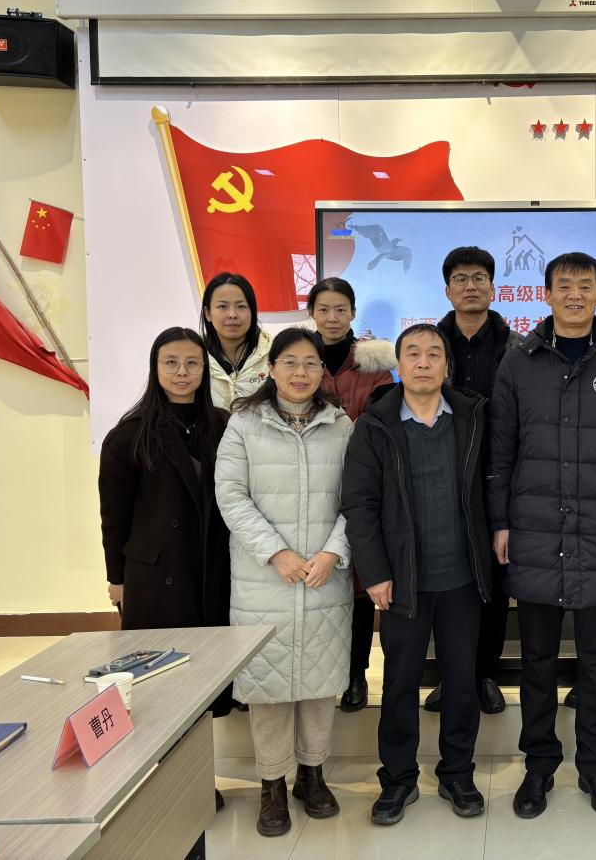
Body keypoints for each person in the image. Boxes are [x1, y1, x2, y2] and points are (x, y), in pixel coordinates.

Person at [489, 252, 596, 821]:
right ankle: (538, 766)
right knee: (536, 659)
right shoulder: (518, 360)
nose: (575, 294)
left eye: (586, 285)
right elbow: (500, 452)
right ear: (547, 294)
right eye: (564, 285)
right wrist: (500, 522)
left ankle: (595, 767)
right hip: (533, 529)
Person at [342, 324, 494, 825]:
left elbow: (493, 486)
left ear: (447, 365)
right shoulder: (376, 424)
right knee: (400, 684)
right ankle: (398, 779)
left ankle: (458, 774)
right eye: (413, 353)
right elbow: (359, 505)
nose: (424, 362)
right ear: (399, 364)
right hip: (401, 581)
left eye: (434, 354)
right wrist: (374, 572)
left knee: (461, 683)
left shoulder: (473, 416)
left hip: (463, 578)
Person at [214, 327, 354, 837]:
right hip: (263, 578)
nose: (300, 372)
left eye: (311, 363)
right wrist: (276, 552)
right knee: (268, 687)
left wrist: (334, 552)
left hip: (323, 577)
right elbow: (231, 495)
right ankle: (272, 785)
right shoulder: (244, 424)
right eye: (290, 362)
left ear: (322, 371)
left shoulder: (342, 425)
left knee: (319, 684)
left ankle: (312, 776)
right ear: (270, 369)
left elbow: (359, 498)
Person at [99, 326, 232, 811]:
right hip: (156, 577)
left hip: (211, 569)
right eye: (171, 363)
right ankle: (170, 787)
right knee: (163, 680)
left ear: (204, 369)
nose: (182, 372)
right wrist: (117, 579)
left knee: (205, 678)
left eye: (192, 363)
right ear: (155, 369)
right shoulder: (129, 434)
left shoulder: (222, 424)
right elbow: (113, 516)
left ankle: (199, 777)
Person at [423, 246, 521, 717]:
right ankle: (451, 676)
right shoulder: (428, 345)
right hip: (440, 476)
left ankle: (485, 674)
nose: (470, 286)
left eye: (479, 277)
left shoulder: (518, 347)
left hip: (498, 478)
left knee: (495, 582)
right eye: (460, 278)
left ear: (493, 287)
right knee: (447, 581)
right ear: (447, 290)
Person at [306, 277, 397, 713]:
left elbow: (381, 425)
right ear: (312, 313)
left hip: (361, 482)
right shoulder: (300, 359)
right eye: (324, 309)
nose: (332, 318)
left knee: (359, 584)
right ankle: (320, 671)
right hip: (309, 485)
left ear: (353, 313)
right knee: (317, 581)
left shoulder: (374, 366)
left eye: (340, 309)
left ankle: (356, 673)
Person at [201, 272, 271, 409]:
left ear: (252, 312)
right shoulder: (193, 356)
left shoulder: (275, 353)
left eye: (241, 306)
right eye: (222, 306)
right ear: (208, 313)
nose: (232, 315)